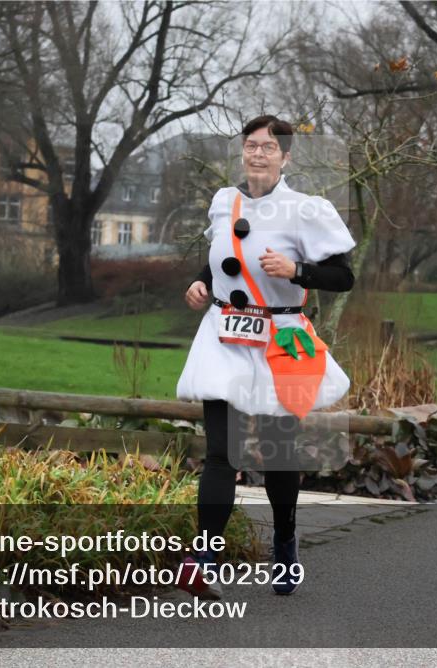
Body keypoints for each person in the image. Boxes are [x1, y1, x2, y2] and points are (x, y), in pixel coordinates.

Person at [175, 115, 356, 598]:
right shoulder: (222, 202)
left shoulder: (306, 209)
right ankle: (205, 560)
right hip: (225, 336)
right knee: (220, 452)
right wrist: (200, 284)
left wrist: (298, 270)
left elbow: (344, 277)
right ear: (242, 151)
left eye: (269, 147)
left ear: (286, 157)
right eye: (251, 145)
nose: (258, 153)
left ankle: (284, 542)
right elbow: (218, 259)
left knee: (278, 456)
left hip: (282, 337)